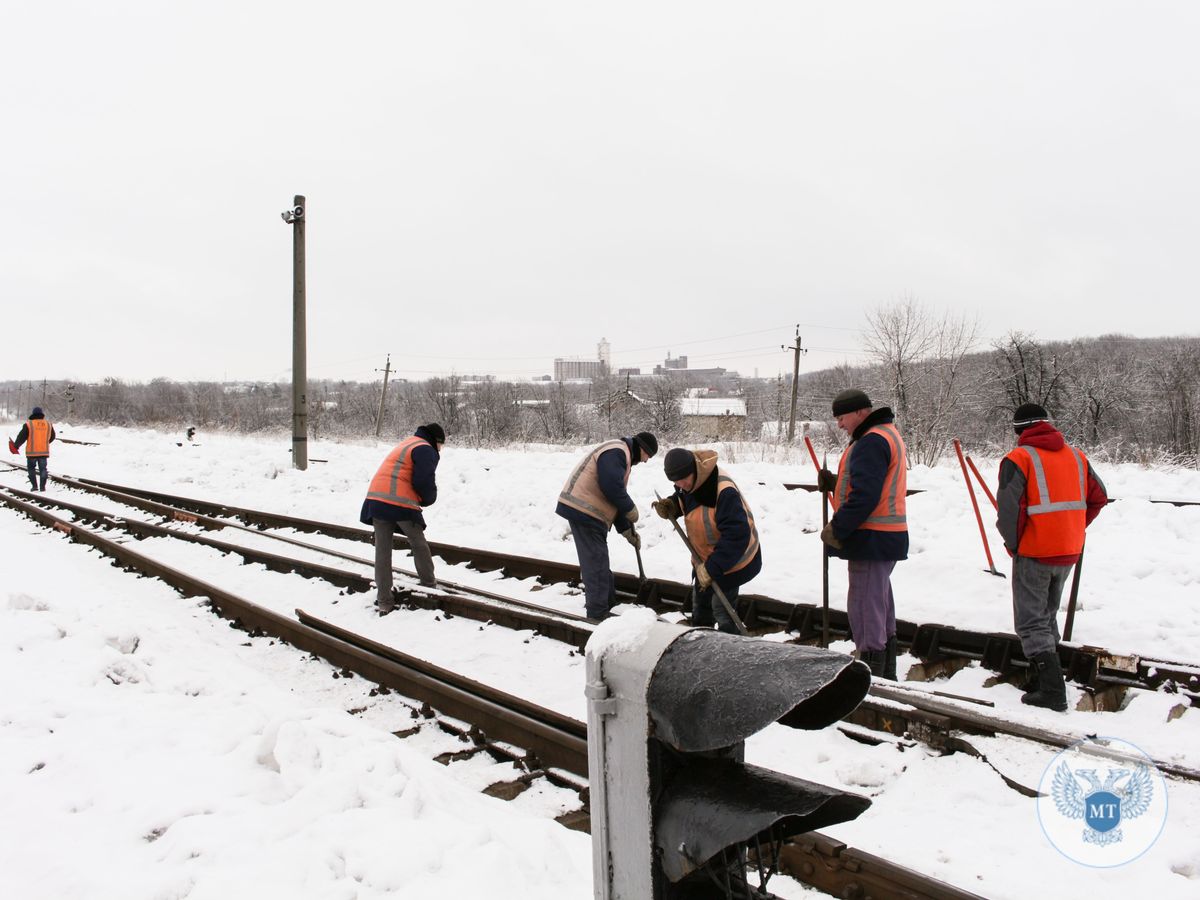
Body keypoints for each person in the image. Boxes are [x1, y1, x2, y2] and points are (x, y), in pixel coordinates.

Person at [996, 403, 1107, 711]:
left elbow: (1009, 512)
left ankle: (1052, 691)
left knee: (1031, 622)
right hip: (1068, 550)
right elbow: (1098, 497)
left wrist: (1014, 545)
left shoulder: (1018, 458)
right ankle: (1041, 677)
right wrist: (1071, 527)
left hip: (1034, 552)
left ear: (1019, 430)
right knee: (1046, 615)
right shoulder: (1076, 456)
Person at [818, 389, 908, 679]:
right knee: (879, 600)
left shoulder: (870, 441)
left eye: (842, 418)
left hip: (871, 535)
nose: (840, 425)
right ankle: (886, 670)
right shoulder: (886, 433)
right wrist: (835, 483)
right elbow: (871, 483)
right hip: (887, 535)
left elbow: (865, 496)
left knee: (865, 605)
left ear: (860, 413)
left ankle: (872, 675)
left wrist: (838, 528)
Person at [652, 447, 761, 634]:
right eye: (675, 482)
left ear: (694, 469)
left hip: (732, 561)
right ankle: (702, 647)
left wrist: (712, 568)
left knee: (722, 611)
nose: (681, 485)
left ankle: (733, 651)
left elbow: (737, 537)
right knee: (701, 608)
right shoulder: (692, 481)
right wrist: (673, 505)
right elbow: (687, 498)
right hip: (706, 559)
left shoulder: (723, 492)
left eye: (683, 479)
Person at [556, 432, 657, 620]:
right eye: (647, 457)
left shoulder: (621, 455)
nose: (645, 461)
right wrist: (630, 507)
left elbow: (614, 497)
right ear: (642, 449)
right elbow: (610, 486)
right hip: (584, 510)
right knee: (596, 563)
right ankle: (597, 613)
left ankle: (608, 604)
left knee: (599, 560)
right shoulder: (617, 452)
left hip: (589, 512)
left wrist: (627, 530)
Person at [360, 423, 444, 613]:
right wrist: (429, 498)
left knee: (382, 550)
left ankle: (384, 602)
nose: (440, 449)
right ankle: (429, 585)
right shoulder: (425, 448)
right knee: (418, 542)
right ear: (436, 440)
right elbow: (423, 480)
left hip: (376, 499)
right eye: (441, 445)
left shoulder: (407, 443)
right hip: (399, 501)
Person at [11, 407, 55, 491]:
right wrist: (45, 443)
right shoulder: (48, 424)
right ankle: (42, 487)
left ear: (33, 414)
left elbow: (22, 437)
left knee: (31, 469)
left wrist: (16, 446)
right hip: (44, 452)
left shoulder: (29, 424)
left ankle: (34, 486)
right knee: (43, 469)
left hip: (32, 453)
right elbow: (52, 437)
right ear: (41, 414)